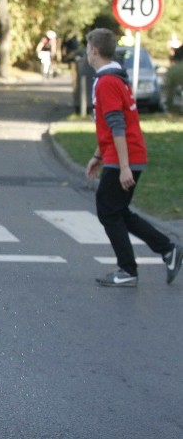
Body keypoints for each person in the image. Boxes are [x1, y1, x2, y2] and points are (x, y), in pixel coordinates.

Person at [84, 28, 181, 288]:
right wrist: (98, 155)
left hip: (123, 156)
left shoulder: (107, 82)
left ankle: (128, 270)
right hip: (121, 154)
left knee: (108, 210)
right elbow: (109, 125)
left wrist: (123, 166)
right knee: (117, 210)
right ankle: (168, 249)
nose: (86, 53)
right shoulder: (115, 79)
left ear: (94, 50)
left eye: (87, 48)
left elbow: (118, 126)